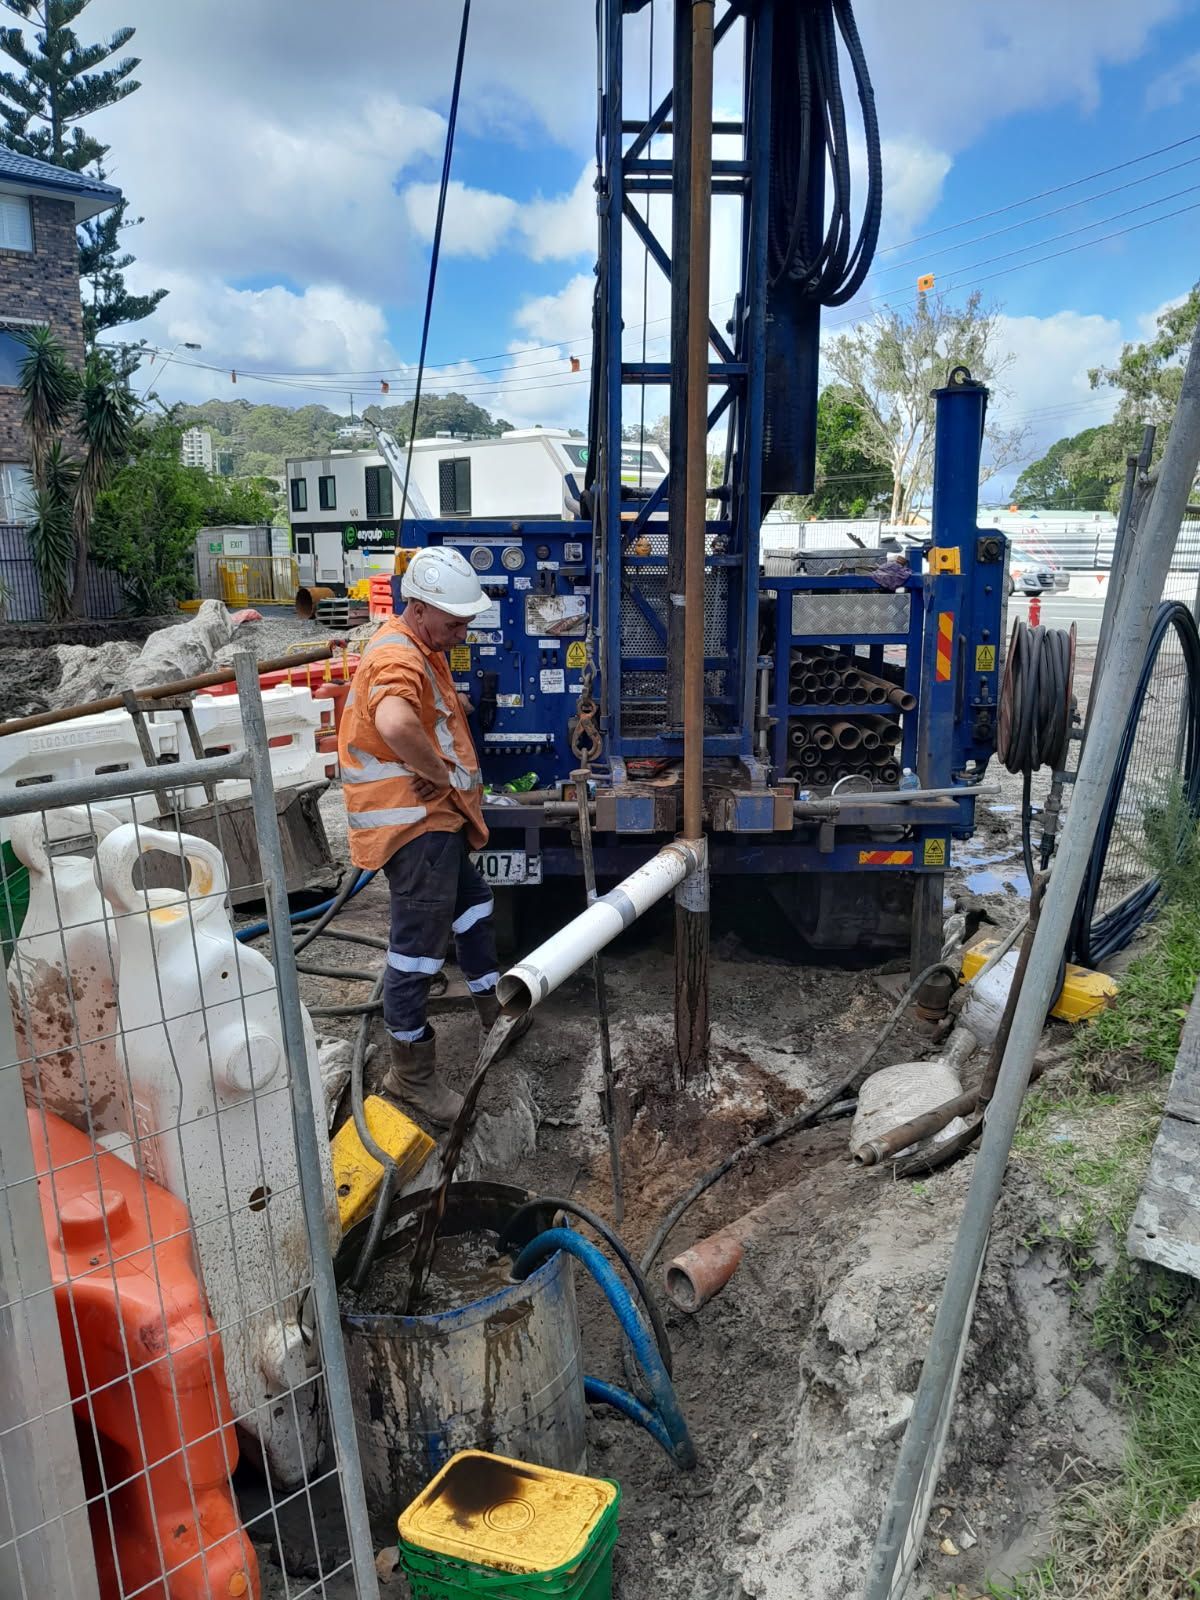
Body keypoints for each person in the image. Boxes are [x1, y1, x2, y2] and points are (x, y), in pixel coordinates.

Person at [337, 545, 531, 1128]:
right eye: (454, 623)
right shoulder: (399, 655)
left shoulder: (419, 644)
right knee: (416, 954)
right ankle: (412, 1076)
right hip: (414, 829)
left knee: (473, 908)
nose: (462, 632)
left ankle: (493, 1010)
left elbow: (419, 710)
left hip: (435, 826)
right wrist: (436, 773)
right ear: (419, 608)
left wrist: (458, 704)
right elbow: (395, 721)